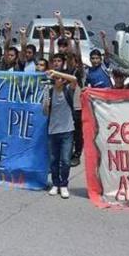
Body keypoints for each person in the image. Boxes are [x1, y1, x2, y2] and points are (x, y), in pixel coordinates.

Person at [43, 68, 78, 199]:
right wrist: (46, 104)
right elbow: (45, 112)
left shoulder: (68, 90)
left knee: (66, 160)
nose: (58, 80)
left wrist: (57, 73)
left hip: (67, 130)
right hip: (53, 131)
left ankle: (64, 185)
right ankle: (55, 184)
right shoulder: (49, 91)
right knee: (54, 160)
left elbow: (74, 79)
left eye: (59, 78)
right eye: (56, 78)